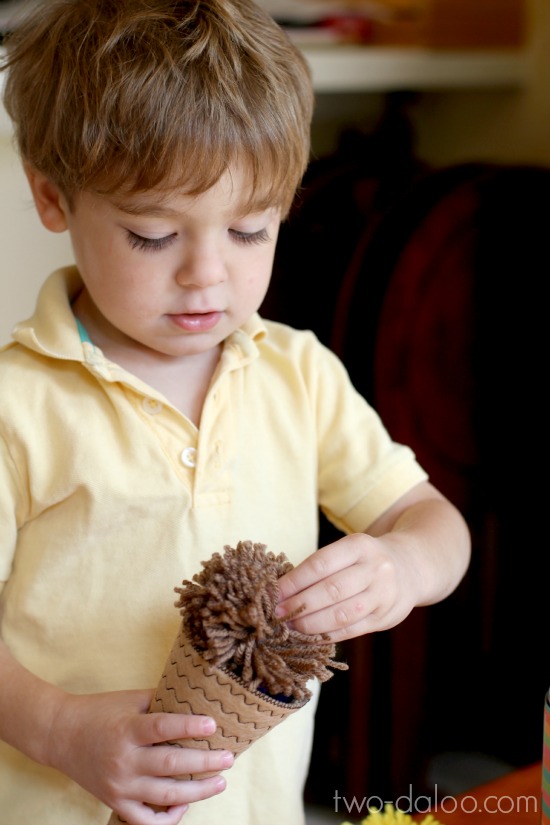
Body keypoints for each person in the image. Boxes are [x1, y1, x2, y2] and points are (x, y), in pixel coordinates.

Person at [0, 1, 471, 824]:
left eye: (250, 230)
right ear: (52, 197)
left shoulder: (298, 374)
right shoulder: (18, 403)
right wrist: (57, 727)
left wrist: (404, 567)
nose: (206, 277)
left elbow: (433, 522)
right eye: (152, 235)